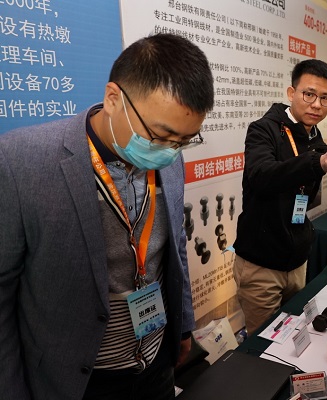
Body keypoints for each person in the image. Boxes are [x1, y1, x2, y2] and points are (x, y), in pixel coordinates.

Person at [0, 33, 214, 400]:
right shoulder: (21, 161)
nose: (170, 151)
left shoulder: (170, 157)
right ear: (113, 98)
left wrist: (182, 327)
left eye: (184, 140)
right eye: (160, 135)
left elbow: (175, 245)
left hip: (155, 361)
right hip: (78, 379)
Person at [233, 59, 327, 335]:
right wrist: (316, 162)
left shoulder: (315, 139)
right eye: (309, 94)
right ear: (291, 93)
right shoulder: (264, 129)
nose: (317, 104)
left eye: (325, 98)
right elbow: (261, 176)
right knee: (263, 342)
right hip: (261, 263)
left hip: (297, 260)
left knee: (295, 334)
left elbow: (305, 197)